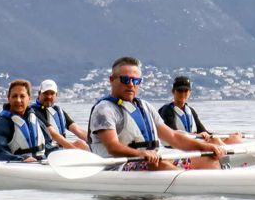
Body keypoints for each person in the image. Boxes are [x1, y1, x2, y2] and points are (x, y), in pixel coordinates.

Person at [88, 57, 226, 171]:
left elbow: (173, 137)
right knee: (158, 164)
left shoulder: (145, 107)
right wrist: (141, 153)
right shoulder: (104, 110)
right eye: (125, 79)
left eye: (136, 81)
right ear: (112, 80)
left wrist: (205, 147)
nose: (131, 85)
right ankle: (185, 196)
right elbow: (113, 147)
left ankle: (210, 199)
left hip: (151, 160)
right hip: (116, 167)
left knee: (207, 158)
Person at [158, 75, 243, 145]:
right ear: (173, 92)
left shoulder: (190, 111)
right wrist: (197, 135)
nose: (183, 94)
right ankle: (226, 158)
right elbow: (172, 133)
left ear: (190, 92)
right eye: (180, 91)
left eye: (186, 90)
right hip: (176, 150)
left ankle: (228, 156)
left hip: (192, 145)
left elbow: (204, 132)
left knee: (234, 138)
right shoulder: (167, 111)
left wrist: (227, 136)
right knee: (215, 141)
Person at [0, 79, 55, 162]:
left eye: (22, 96)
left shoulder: (36, 120)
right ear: (9, 99)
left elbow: (48, 146)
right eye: (14, 96)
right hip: (15, 168)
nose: (18, 100)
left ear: (29, 98)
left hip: (41, 165)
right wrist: (21, 159)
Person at [29, 79, 90, 151]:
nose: (49, 96)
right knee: (79, 145)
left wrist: (96, 141)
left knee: (80, 143)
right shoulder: (33, 111)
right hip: (45, 152)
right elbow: (52, 133)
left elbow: (78, 130)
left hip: (59, 150)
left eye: (52, 93)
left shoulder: (57, 111)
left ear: (56, 95)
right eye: (46, 93)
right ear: (39, 94)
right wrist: (74, 149)